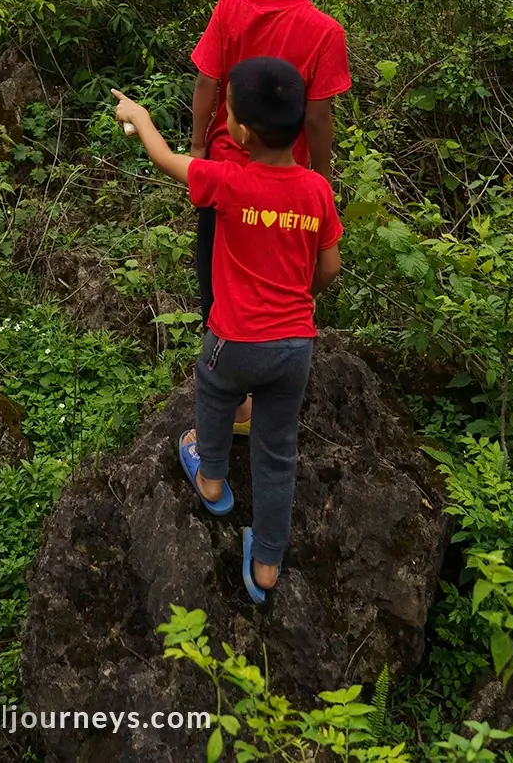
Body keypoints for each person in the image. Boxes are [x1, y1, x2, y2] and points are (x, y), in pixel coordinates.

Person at [112, 58, 342, 603]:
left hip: (234, 340)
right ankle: (265, 566)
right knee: (278, 448)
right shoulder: (315, 191)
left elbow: (166, 158)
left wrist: (139, 114)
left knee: (214, 390)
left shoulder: (227, 180)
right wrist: (298, 298)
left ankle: (212, 479)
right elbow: (329, 268)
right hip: (295, 348)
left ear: (238, 130)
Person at [191, 0, 349, 378]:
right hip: (286, 185)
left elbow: (205, 84)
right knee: (276, 283)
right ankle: (266, 385)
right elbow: (319, 116)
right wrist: (318, 178)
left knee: (217, 283)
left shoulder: (232, 5)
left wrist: (198, 149)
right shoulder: (325, 32)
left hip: (224, 174)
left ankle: (227, 391)